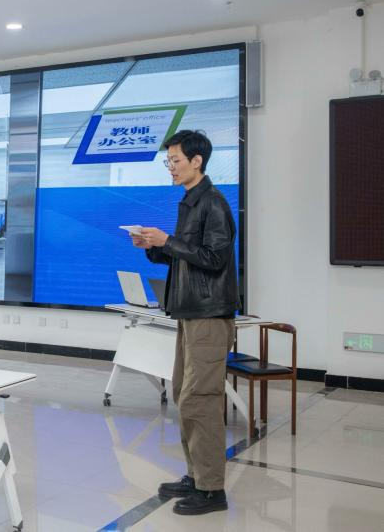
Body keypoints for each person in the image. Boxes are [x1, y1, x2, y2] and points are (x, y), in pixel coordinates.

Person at [131, 130, 240, 516]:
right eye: (169, 161)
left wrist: (169, 241)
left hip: (209, 317)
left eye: (175, 160)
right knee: (185, 394)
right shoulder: (190, 202)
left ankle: (212, 490)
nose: (171, 167)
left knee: (201, 399)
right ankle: (196, 476)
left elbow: (213, 258)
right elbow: (187, 257)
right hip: (190, 314)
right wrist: (154, 247)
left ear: (197, 161)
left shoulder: (213, 203)